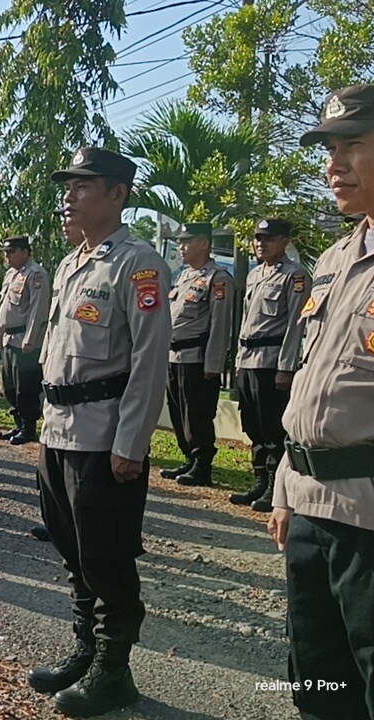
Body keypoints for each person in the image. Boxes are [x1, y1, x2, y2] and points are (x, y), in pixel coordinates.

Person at [26, 148, 170, 717]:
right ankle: (86, 650)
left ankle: (115, 670)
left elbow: (150, 361)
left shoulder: (138, 265)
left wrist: (130, 444)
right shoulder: (71, 263)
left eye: (82, 185)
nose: (69, 195)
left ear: (117, 195)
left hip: (103, 437)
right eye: (68, 185)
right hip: (58, 430)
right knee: (72, 550)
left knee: (106, 556)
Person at [268, 83, 374, 720]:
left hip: (370, 518)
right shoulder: (337, 258)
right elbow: (311, 384)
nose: (332, 166)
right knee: (315, 677)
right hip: (310, 509)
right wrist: (286, 489)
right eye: (329, 149)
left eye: (352, 146)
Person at [230, 219, 310, 511]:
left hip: (271, 361)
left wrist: (286, 367)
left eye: (269, 238)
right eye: (257, 238)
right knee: (253, 426)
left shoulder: (295, 276)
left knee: (273, 428)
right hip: (249, 360)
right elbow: (246, 322)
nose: (261, 243)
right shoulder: (255, 275)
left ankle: (277, 488)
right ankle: (260, 481)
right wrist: (238, 361)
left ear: (285, 241)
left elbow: (295, 325)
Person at [162, 223, 233, 487]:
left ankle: (202, 464)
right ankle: (189, 458)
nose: (181, 247)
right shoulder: (183, 276)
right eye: (180, 242)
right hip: (174, 356)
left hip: (196, 358)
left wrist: (213, 365)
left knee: (196, 414)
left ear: (204, 243)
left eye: (187, 242)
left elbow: (220, 324)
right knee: (178, 412)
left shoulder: (218, 277)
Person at [0, 235, 50, 445]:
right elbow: (4, 309)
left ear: (25, 252)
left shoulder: (35, 274)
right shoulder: (11, 274)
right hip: (9, 338)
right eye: (5, 253)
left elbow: (37, 309)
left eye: (11, 252)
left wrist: (31, 338)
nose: (7, 257)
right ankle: (18, 423)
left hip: (24, 340)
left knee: (25, 387)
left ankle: (28, 428)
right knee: (9, 386)